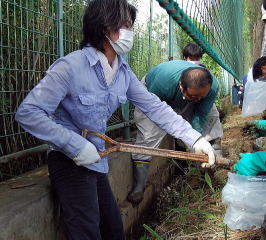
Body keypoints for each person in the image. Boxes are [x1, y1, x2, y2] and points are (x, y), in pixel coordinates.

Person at [14, 0, 215, 239]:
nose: (130, 32)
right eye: (125, 25)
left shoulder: (122, 71)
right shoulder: (70, 67)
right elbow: (28, 112)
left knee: (113, 230)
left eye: (131, 26)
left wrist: (195, 139)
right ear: (104, 27)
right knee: (87, 230)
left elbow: (155, 107)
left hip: (98, 159)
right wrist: (75, 144)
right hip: (68, 160)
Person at [127, 60, 220, 204]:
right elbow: (153, 108)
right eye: (193, 96)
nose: (198, 100)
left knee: (210, 118)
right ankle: (139, 185)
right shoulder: (163, 82)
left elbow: (200, 115)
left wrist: (196, 141)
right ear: (181, 86)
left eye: (200, 97)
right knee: (150, 135)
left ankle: (206, 168)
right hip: (153, 98)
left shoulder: (211, 88)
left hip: (183, 97)